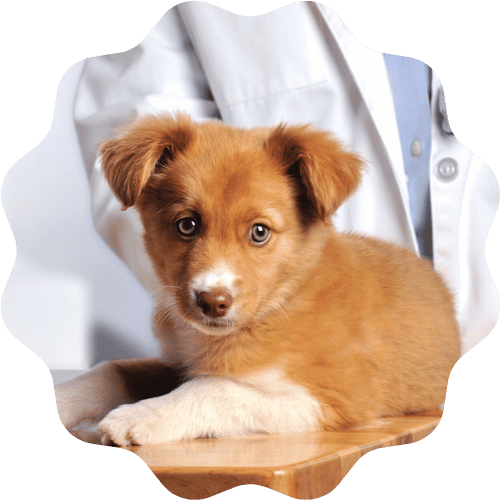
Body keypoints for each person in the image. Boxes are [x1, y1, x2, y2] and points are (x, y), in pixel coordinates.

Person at [73, 0, 497, 359]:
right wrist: (266, 333)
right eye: (189, 225)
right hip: (297, 347)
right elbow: (132, 131)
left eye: (258, 232)